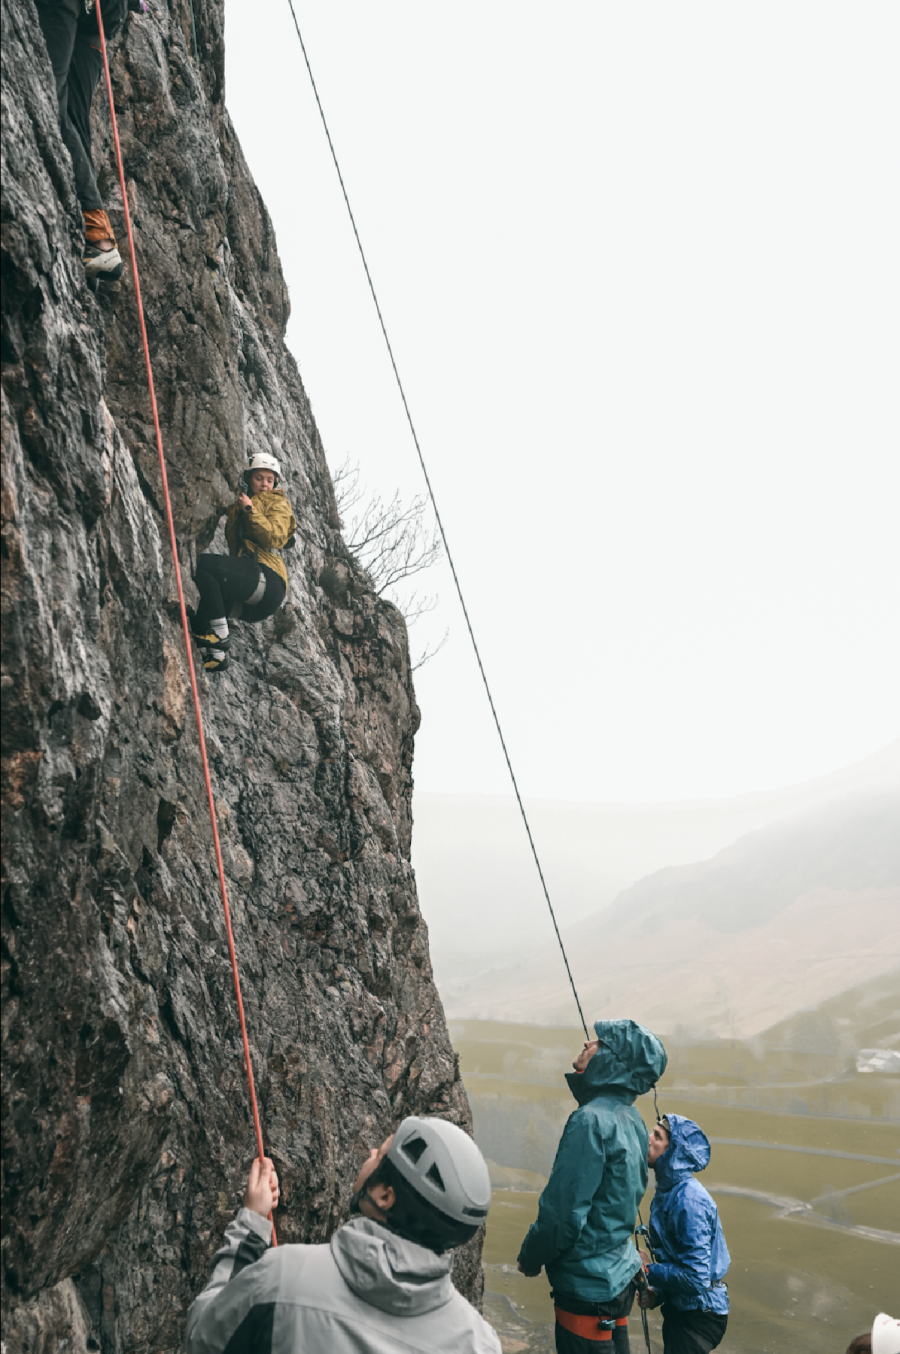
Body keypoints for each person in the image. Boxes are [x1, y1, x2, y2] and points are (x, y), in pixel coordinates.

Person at [186, 1115, 502, 1353]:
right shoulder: (479, 1342)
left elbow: (203, 1336)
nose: (372, 1151)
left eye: (381, 1155)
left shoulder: (281, 1277)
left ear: (385, 1196)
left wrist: (251, 1224)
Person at [516, 1018, 668, 1353]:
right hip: (618, 1280)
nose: (587, 1043)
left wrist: (530, 1257)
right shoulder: (634, 1121)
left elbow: (562, 1216)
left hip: (586, 1289)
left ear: (613, 1060)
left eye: (599, 1041)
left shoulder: (588, 1121)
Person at [34, 0, 141, 281]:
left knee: (48, 99)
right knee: (74, 120)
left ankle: (97, 236)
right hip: (105, 17)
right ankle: (95, 249)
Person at [192, 452, 297, 673]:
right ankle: (216, 656)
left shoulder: (278, 503)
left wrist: (250, 510)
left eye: (270, 480)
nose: (265, 484)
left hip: (269, 580)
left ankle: (220, 635)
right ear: (248, 478)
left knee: (201, 564)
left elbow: (274, 536)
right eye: (259, 478)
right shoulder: (238, 505)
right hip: (251, 594)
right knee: (202, 595)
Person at [637, 1114, 729, 1354]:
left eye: (657, 1136)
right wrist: (656, 1294)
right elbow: (678, 1262)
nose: (649, 1139)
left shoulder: (689, 1201)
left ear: (673, 1151)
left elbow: (695, 1277)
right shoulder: (669, 1192)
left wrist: (647, 1270)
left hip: (699, 1316)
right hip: (684, 1310)